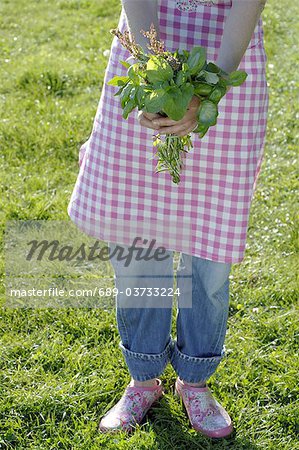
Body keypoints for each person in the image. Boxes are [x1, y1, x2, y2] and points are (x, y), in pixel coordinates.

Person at [67, 0, 268, 438]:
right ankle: (143, 379)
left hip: (226, 58)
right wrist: (156, 76)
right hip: (146, 46)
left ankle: (194, 381)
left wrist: (207, 91)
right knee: (139, 240)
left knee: (210, 252)